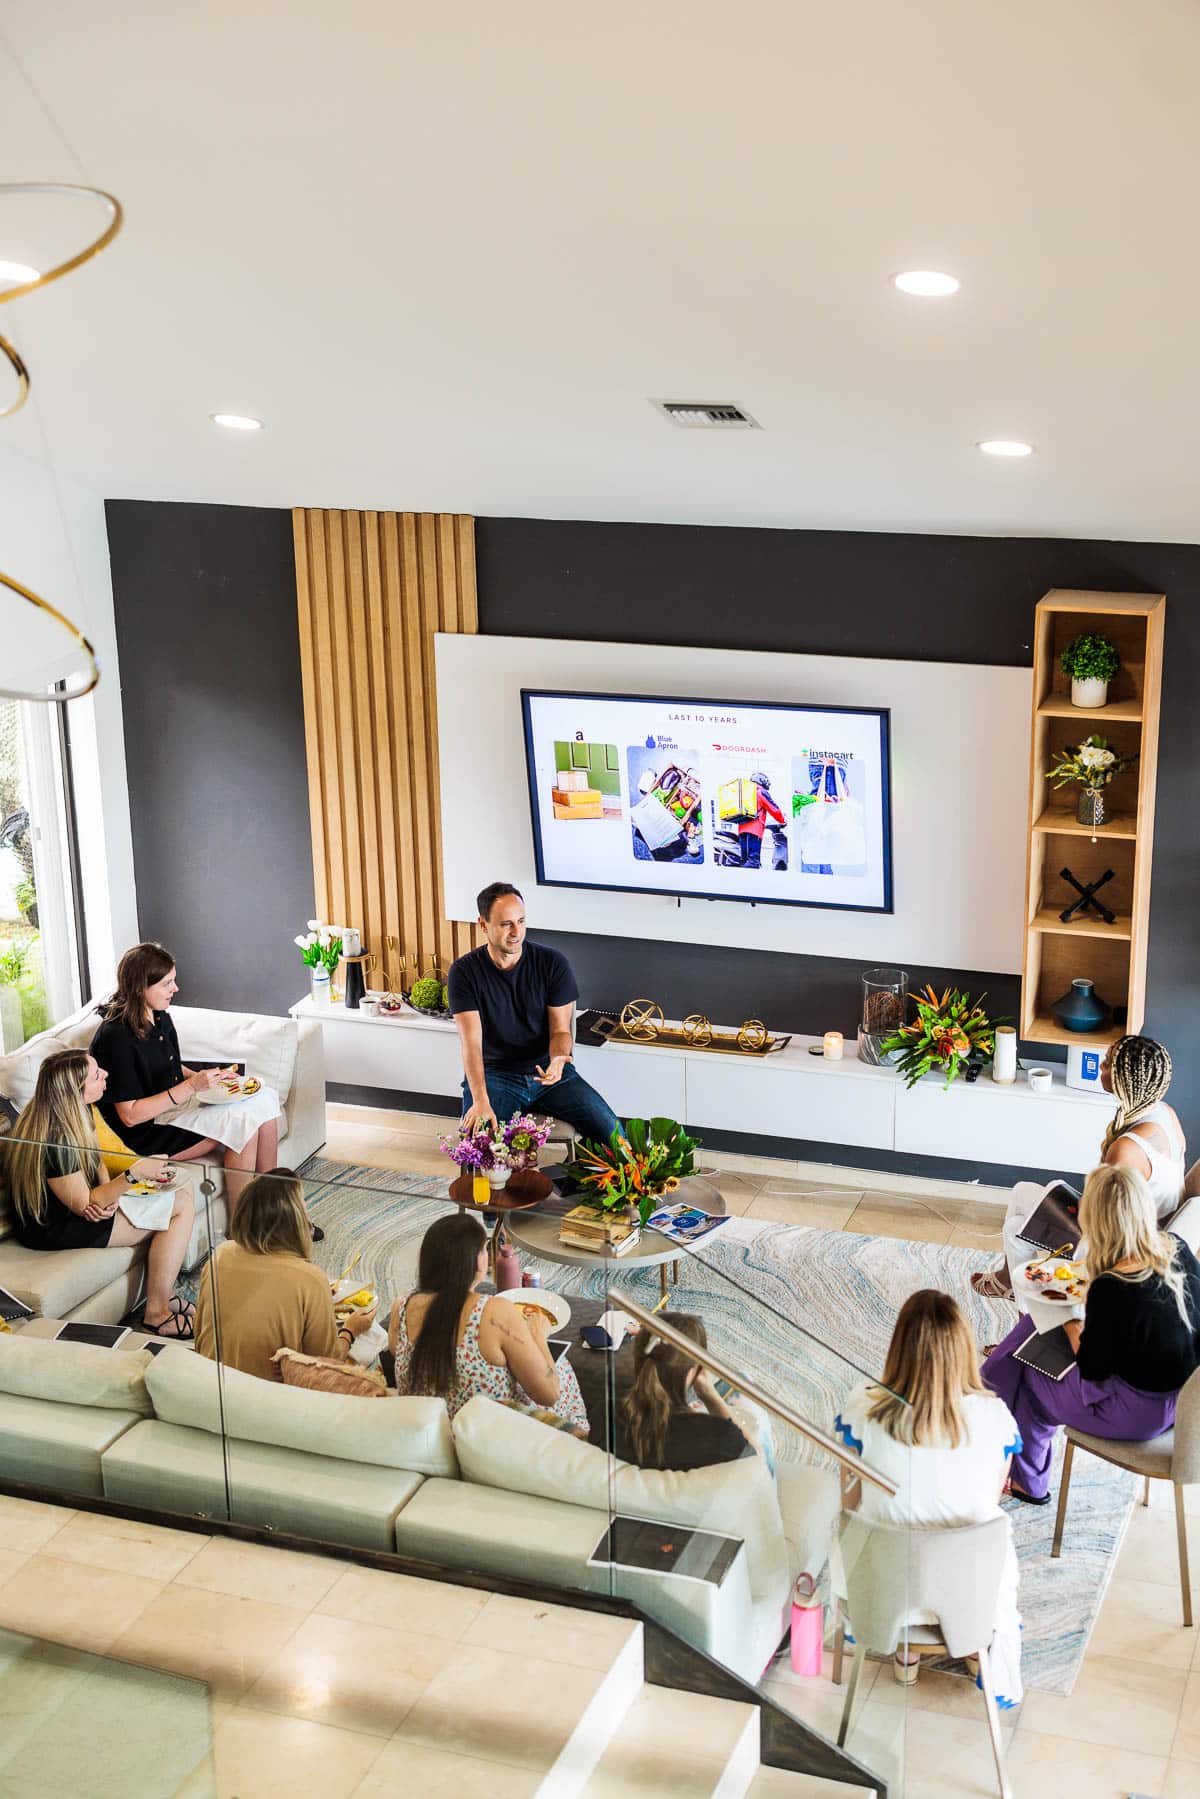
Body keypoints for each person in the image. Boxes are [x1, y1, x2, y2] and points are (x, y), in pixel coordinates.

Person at [832, 1290, 1023, 1703]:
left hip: (882, 1588)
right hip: (967, 1594)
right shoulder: (995, 1419)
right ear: (964, 1350)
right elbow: (987, 1504)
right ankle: (974, 1646)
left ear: (898, 1346)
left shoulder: (861, 1408)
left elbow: (849, 1505)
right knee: (987, 1535)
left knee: (861, 1525)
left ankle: (906, 1653)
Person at [983, 1164, 1200, 1504]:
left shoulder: (1113, 1288)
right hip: (1184, 1402)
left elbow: (1092, 1370)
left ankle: (1009, 1463)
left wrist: (1069, 1318)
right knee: (1027, 1336)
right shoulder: (1177, 1249)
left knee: (1028, 1372)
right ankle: (992, 1418)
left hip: (1137, 1413)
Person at [972, 1033, 1186, 1302]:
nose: (1100, 1067)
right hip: (1142, 1228)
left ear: (1124, 1079)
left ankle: (1016, 1307)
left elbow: (1092, 1217)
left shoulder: (1126, 1150)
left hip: (1121, 1248)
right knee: (1020, 1198)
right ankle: (1010, 1287)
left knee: (1017, 1228)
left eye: (1107, 1064)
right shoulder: (1165, 1113)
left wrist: (1070, 1203)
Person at [4, 1049, 197, 1338]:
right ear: (77, 1089)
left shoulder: (78, 1110)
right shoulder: (57, 1137)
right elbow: (85, 1205)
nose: (105, 1074)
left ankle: (163, 1298)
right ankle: (156, 1314)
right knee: (179, 1206)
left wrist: (113, 1194)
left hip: (76, 1204)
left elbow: (96, 1163)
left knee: (179, 1193)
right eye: (96, 1075)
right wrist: (134, 1175)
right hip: (52, 1226)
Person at [90, 942, 281, 1218]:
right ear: (140, 987)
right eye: (167, 983)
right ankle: (244, 1224)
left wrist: (210, 1079)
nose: (175, 989)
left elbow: (167, 1065)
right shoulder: (114, 1037)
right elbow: (130, 1116)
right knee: (244, 1125)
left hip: (174, 1109)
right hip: (146, 1135)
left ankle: (275, 1204)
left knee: (263, 1097)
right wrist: (191, 1086)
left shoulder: (159, 1016)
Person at [448, 882, 620, 1143]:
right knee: (479, 1148)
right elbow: (471, 1045)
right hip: (495, 1075)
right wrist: (481, 1100)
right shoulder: (464, 972)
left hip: (549, 1075)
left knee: (616, 1140)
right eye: (506, 924)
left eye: (521, 921)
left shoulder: (552, 963)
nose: (517, 932)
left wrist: (560, 1058)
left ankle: (578, 1183)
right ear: (483, 925)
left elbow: (561, 1031)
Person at [389, 1212, 589, 1429]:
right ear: (477, 1261)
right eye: (484, 1248)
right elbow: (549, 1395)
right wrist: (538, 1336)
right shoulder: (493, 1312)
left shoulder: (402, 1307)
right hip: (488, 1444)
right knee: (558, 1366)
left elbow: (397, 1353)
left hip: (430, 1435)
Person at [194, 1169, 375, 1380]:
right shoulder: (310, 1278)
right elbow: (326, 1364)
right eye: (304, 1209)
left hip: (209, 1383)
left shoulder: (220, 1255)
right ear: (294, 1221)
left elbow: (201, 1334)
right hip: (271, 1399)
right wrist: (350, 1331)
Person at [615, 1313, 752, 1471]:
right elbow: (758, 1464)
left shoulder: (604, 1416)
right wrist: (709, 1393)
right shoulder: (721, 1436)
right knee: (744, 1381)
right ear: (693, 1369)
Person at [736, 773, 786, 871]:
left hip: (742, 829)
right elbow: (773, 808)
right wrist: (783, 820)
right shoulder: (760, 792)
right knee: (753, 861)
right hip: (754, 829)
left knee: (745, 861)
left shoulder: (744, 793)